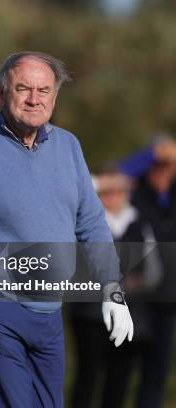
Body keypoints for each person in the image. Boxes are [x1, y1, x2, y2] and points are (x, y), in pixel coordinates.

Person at [0, 51, 134, 406]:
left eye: (44, 90)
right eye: (23, 88)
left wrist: (112, 290)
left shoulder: (69, 147)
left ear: (55, 96)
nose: (34, 99)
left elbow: (92, 223)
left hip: (50, 312)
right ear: (1, 94)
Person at [70, 167, 148, 408]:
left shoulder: (136, 224)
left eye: (118, 191)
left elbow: (145, 271)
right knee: (87, 377)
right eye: (107, 191)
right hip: (89, 315)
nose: (113, 197)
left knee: (119, 380)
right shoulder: (83, 222)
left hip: (126, 313)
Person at [115, 138, 176, 408]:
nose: (163, 172)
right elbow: (118, 175)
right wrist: (152, 152)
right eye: (158, 167)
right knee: (120, 374)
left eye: (169, 167)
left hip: (166, 301)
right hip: (135, 299)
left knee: (156, 373)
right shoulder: (136, 198)